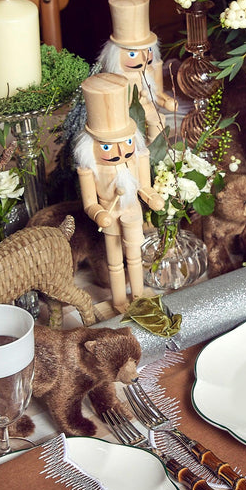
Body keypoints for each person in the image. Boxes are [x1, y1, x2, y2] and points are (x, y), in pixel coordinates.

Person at [75, 72, 164, 311]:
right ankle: (119, 301)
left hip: (132, 212)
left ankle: (138, 295)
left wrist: (152, 198)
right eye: (106, 145)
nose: (119, 151)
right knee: (114, 261)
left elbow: (144, 187)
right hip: (110, 215)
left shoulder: (139, 158)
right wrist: (99, 214)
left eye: (126, 142)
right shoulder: (89, 169)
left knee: (134, 257)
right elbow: (89, 203)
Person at [98, 0, 179, 143]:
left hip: (148, 108)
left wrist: (166, 101)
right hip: (126, 115)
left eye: (147, 51)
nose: (143, 59)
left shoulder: (151, 69)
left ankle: (157, 155)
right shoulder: (116, 79)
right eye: (133, 54)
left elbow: (158, 93)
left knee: (158, 123)